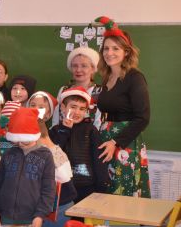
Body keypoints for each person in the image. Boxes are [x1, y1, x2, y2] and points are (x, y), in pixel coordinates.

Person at [95, 16, 150, 198]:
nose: (109, 53)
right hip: (107, 139)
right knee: (106, 188)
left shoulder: (135, 77)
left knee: (123, 190)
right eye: (106, 48)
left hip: (124, 142)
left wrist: (116, 142)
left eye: (115, 48)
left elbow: (142, 118)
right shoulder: (107, 77)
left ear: (126, 52)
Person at [0, 108, 55, 227]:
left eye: (24, 140)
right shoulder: (8, 154)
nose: (20, 143)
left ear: (35, 135)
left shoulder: (46, 156)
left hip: (31, 218)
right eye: (16, 140)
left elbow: (49, 190)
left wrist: (40, 215)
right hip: (5, 217)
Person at [50, 87, 110, 203]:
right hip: (63, 189)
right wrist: (65, 130)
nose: (77, 112)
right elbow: (54, 155)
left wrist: (101, 187)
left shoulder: (91, 130)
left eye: (82, 109)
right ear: (63, 107)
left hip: (88, 188)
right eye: (73, 107)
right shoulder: (55, 131)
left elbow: (99, 160)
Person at [37, 120, 74, 227]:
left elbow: (63, 178)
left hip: (59, 206)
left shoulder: (50, 154)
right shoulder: (55, 151)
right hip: (54, 205)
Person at [53, 47, 103, 128]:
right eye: (75, 66)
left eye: (84, 66)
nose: (78, 70)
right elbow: (56, 119)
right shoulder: (64, 90)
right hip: (63, 137)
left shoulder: (100, 92)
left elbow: (99, 123)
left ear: (93, 68)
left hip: (89, 139)